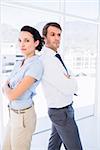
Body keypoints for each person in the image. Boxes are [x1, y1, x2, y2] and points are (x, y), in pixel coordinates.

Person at [40, 22, 83, 150]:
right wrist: (71, 81)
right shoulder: (47, 60)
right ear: (44, 38)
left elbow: (71, 75)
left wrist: (70, 79)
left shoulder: (55, 56)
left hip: (61, 110)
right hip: (61, 112)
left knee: (54, 145)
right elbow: (68, 87)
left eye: (59, 34)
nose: (57, 38)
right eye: (52, 34)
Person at [2, 25, 44, 150]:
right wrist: (7, 87)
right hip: (13, 114)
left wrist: (7, 88)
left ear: (36, 43)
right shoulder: (20, 62)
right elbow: (5, 85)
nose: (22, 44)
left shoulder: (36, 65)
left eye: (27, 40)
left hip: (23, 117)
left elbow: (12, 94)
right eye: (20, 40)